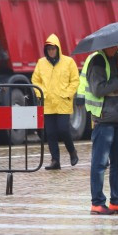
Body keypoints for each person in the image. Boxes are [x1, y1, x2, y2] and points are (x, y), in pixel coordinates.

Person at [81, 44, 118, 215]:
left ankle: (117, 202)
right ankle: (97, 203)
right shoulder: (98, 61)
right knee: (100, 163)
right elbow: (98, 89)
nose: (117, 48)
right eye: (113, 46)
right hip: (104, 120)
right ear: (105, 46)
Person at [31, 34, 80, 170]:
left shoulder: (69, 62)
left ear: (58, 48)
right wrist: (42, 93)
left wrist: (67, 93)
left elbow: (75, 80)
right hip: (48, 103)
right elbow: (35, 80)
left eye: (53, 49)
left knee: (63, 129)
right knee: (50, 133)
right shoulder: (41, 63)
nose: (51, 51)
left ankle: (72, 151)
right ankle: (55, 160)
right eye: (49, 49)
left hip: (63, 103)